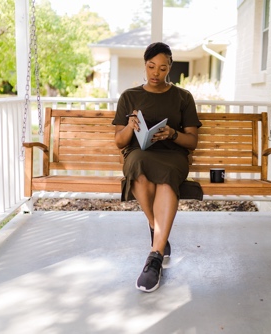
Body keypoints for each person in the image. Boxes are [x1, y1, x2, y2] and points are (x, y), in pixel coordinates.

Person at [112, 42, 202, 292]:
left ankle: (154, 256)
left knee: (167, 177)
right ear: (145, 64)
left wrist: (173, 134)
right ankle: (158, 233)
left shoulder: (183, 97)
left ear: (169, 68)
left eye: (162, 68)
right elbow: (119, 141)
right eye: (151, 66)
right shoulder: (129, 96)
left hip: (173, 156)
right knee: (138, 166)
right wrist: (131, 126)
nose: (156, 73)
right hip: (138, 153)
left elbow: (192, 141)